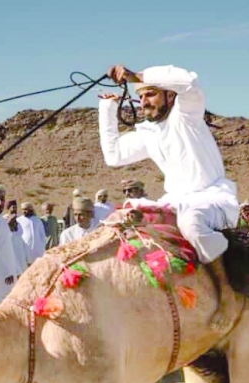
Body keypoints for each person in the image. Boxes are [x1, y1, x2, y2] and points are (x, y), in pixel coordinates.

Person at [100, 64, 238, 314]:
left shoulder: (186, 115)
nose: (144, 101)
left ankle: (226, 293)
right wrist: (107, 109)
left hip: (210, 198)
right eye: (140, 96)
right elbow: (114, 155)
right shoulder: (149, 133)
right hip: (174, 200)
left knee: (191, 223)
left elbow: (188, 82)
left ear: (170, 95)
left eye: (150, 94)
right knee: (119, 220)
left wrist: (137, 77)